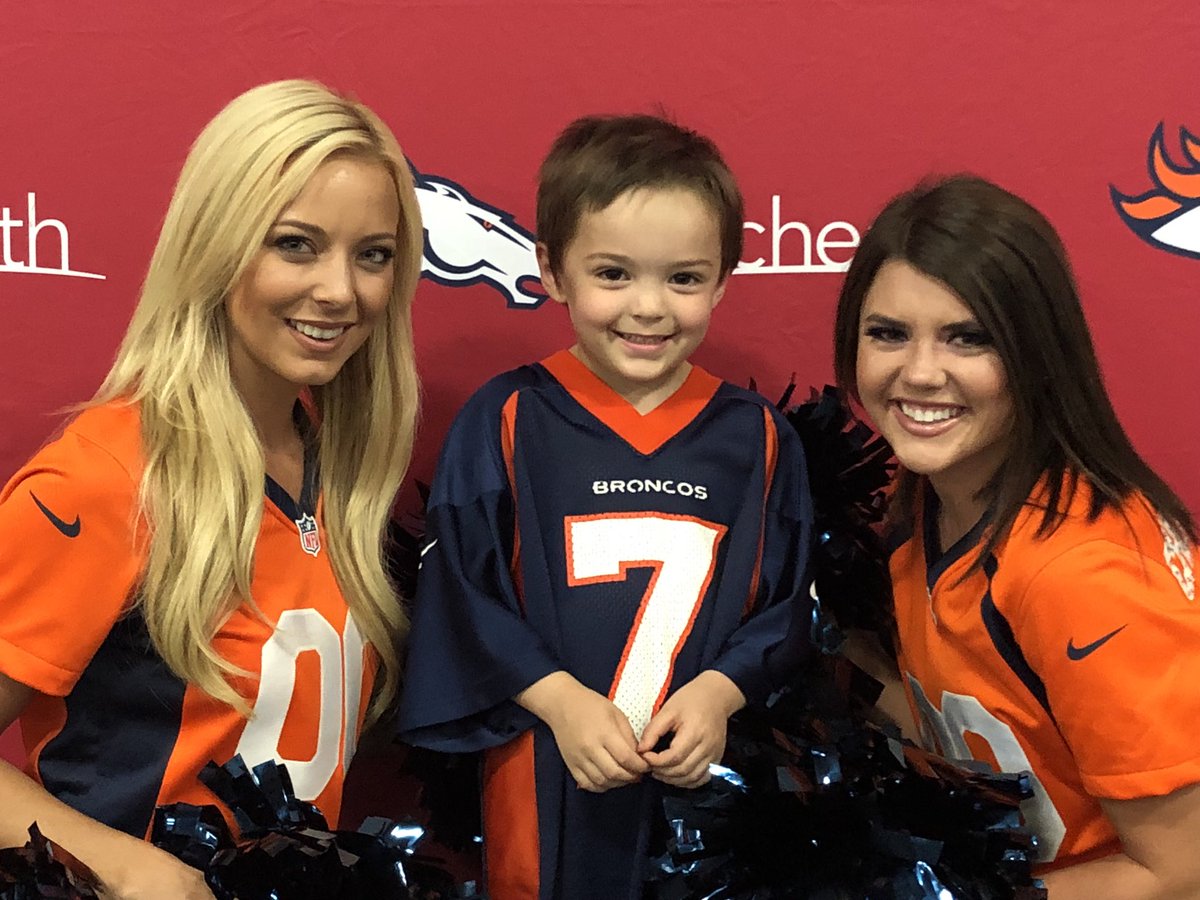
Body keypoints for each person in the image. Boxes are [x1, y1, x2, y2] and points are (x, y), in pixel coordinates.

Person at [0, 79, 423, 898]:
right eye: (295, 244)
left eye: (372, 254)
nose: (341, 290)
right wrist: (126, 869)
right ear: (216, 244)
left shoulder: (343, 473)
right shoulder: (107, 476)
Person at [398, 114, 813, 900]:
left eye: (684, 278)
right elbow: (461, 590)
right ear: (553, 271)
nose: (649, 308)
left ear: (725, 277)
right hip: (550, 763)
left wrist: (719, 692)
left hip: (704, 777)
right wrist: (558, 701)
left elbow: (789, 605)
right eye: (614, 274)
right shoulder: (507, 418)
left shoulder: (757, 436)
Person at [833, 174, 1200, 898]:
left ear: (1036, 352)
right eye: (888, 334)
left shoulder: (1082, 572)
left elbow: (1184, 871)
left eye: (968, 338)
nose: (920, 373)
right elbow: (960, 720)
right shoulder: (925, 505)